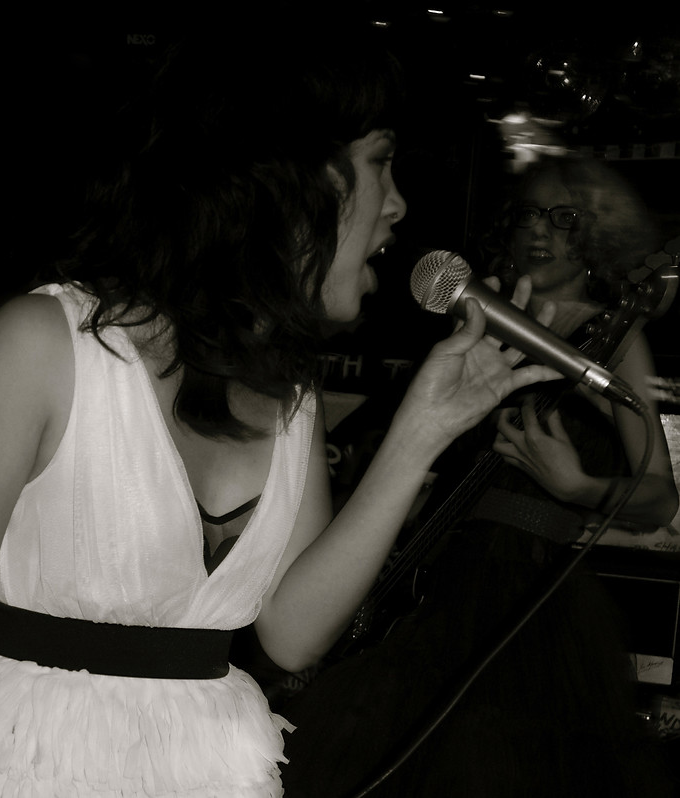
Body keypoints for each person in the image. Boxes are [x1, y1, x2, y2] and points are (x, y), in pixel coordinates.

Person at [0, 27, 563, 798]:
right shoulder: (39, 348)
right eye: (380, 162)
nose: (398, 205)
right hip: (25, 764)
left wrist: (420, 432)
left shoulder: (290, 391)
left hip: (211, 768)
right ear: (293, 179)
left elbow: (293, 636)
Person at [279, 154, 679, 797]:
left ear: (595, 236)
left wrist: (575, 488)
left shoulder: (614, 338)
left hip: (532, 599)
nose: (539, 229)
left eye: (564, 217)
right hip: (435, 574)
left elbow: (659, 496)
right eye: (528, 214)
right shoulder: (474, 310)